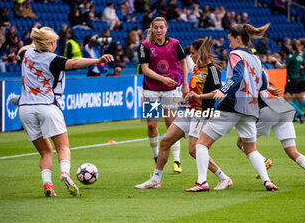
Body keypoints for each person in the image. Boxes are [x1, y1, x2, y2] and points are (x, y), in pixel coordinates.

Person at [16, 27, 113, 197]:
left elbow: (22, 49)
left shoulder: (26, 54)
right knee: (63, 147)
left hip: (25, 109)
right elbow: (74, 63)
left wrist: (36, 41)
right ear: (50, 43)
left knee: (45, 152)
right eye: (54, 41)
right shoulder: (53, 59)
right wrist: (97, 61)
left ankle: (48, 184)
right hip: (47, 106)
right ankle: (65, 173)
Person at [185, 23, 278, 192]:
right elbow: (263, 82)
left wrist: (223, 90)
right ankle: (267, 181)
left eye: (230, 41)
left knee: (201, 144)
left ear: (237, 39)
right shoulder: (255, 58)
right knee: (251, 150)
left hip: (232, 105)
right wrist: (265, 88)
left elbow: (238, 75)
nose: (229, 45)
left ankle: (202, 182)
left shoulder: (235, 54)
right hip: (251, 108)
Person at [135, 37, 232, 190]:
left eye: (193, 53)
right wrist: (187, 98)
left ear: (200, 53)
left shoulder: (212, 69)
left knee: (194, 150)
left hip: (201, 114)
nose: (191, 56)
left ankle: (223, 177)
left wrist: (200, 98)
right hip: (189, 111)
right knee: (165, 141)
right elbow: (196, 91)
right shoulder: (197, 69)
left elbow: (217, 93)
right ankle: (155, 179)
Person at [236, 85, 305, 186]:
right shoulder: (261, 77)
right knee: (292, 151)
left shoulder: (247, 80)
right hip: (284, 109)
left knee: (241, 142)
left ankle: (264, 161)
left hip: (268, 111)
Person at [138, 17, 189, 173]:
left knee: (171, 123)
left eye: (161, 27)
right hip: (150, 90)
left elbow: (183, 63)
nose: (159, 30)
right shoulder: (145, 46)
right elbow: (145, 69)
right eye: (156, 27)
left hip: (170, 90)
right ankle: (156, 157)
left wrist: (185, 84)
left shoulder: (175, 44)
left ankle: (177, 160)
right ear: (152, 29)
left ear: (166, 28)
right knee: (151, 124)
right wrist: (162, 79)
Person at [271, 39, 305, 123]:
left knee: (292, 99)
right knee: (297, 98)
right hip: (301, 78)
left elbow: (283, 67)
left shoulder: (297, 55)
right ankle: (301, 114)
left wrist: (276, 62)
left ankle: (300, 114)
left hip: (299, 78)